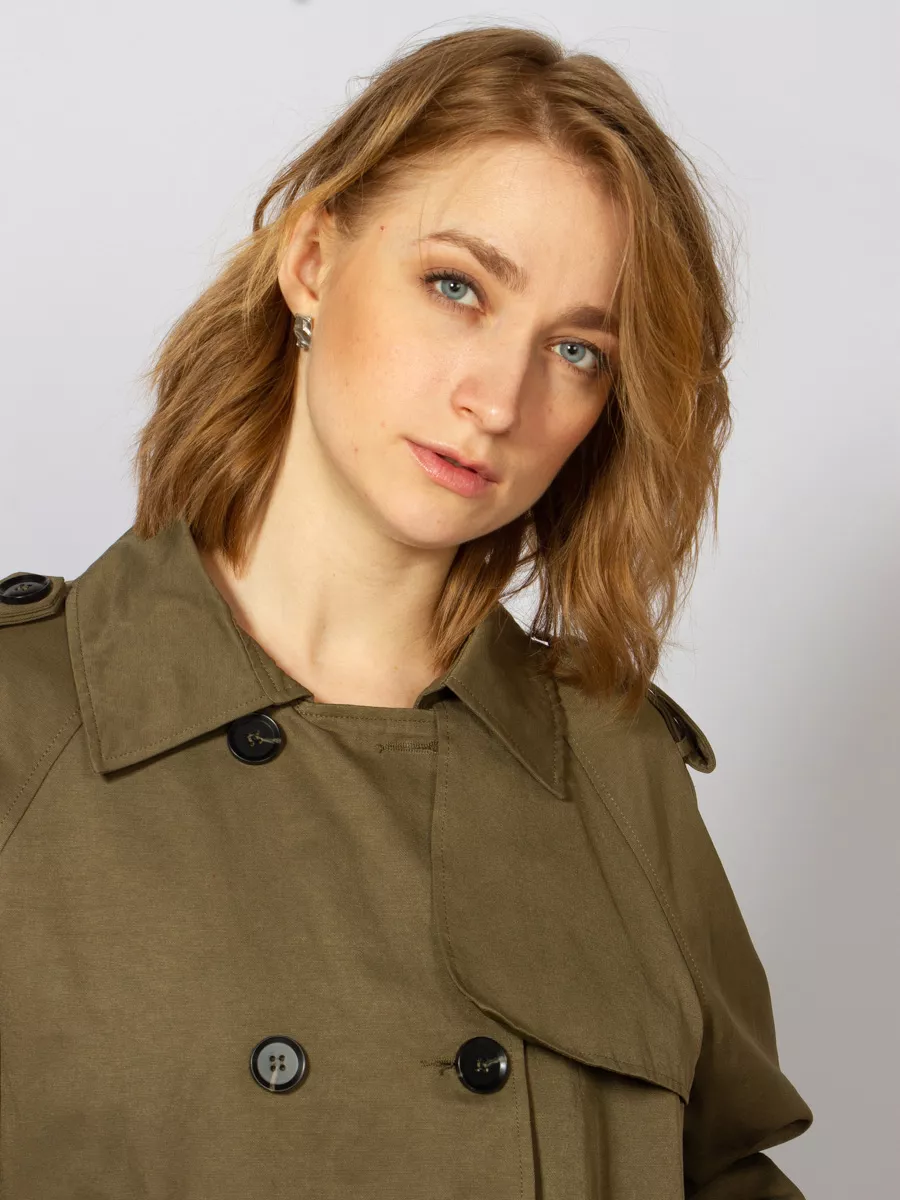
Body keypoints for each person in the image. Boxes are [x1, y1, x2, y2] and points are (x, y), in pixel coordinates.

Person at [0, 23, 813, 1199]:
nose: (499, 400)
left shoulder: (615, 765)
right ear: (312, 261)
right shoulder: (25, 725)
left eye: (576, 350)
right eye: (457, 288)